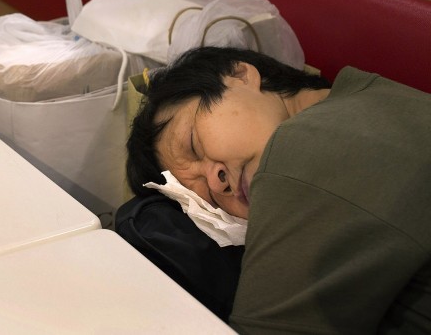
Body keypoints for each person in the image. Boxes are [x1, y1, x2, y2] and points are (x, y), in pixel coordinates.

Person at [126, 46, 431, 333]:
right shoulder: (378, 98)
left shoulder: (299, 149)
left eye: (193, 144)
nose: (218, 182)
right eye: (207, 198)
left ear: (241, 75)